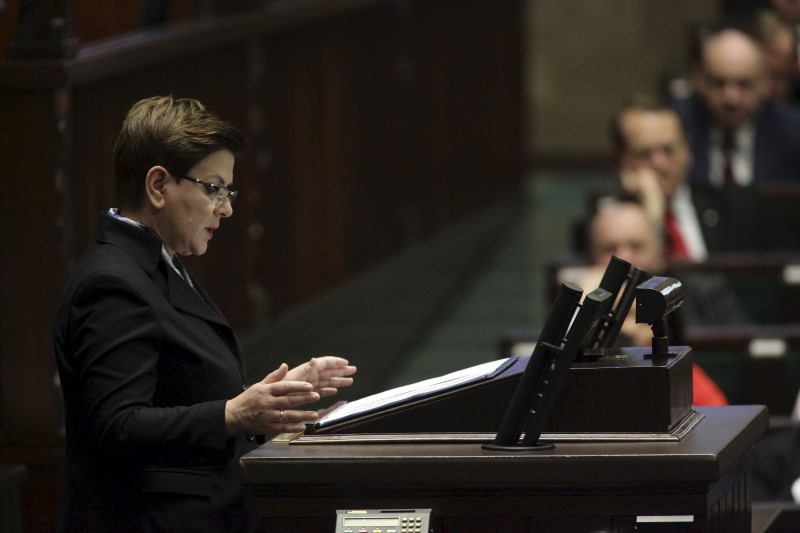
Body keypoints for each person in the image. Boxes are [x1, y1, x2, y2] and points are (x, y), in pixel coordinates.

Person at [52, 95, 358, 532]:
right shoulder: (112, 283)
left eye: (227, 191)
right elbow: (117, 426)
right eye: (214, 188)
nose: (227, 208)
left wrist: (269, 398)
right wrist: (234, 414)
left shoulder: (158, 262)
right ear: (158, 185)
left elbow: (180, 391)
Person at [581, 196, 748, 406]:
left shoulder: (700, 299)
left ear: (660, 252)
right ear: (591, 254)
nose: (624, 259)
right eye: (609, 248)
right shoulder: (582, 300)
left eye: (636, 246)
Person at [673, 27, 800, 186]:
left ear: (765, 82)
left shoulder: (794, 131)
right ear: (699, 79)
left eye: (744, 84)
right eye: (719, 83)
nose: (731, 98)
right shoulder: (675, 127)